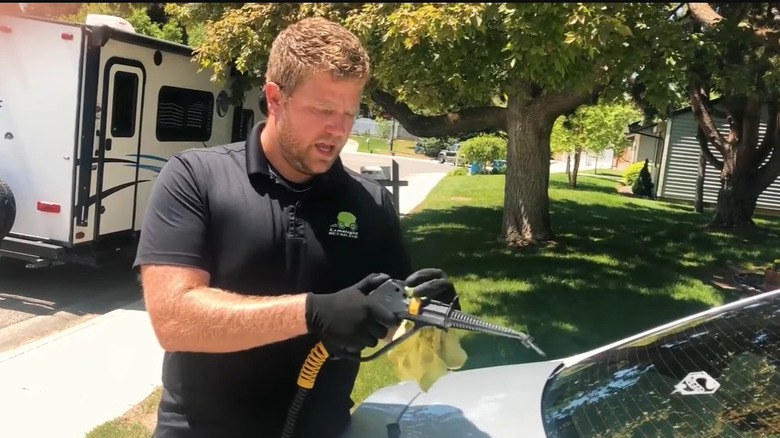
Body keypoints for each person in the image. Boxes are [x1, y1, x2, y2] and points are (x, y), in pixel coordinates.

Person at [133, 16, 458, 438]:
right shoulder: (195, 178)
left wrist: (424, 314)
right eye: (323, 110)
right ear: (275, 98)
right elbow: (173, 320)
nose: (338, 130)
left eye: (349, 113)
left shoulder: (371, 203)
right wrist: (310, 313)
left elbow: (387, 326)